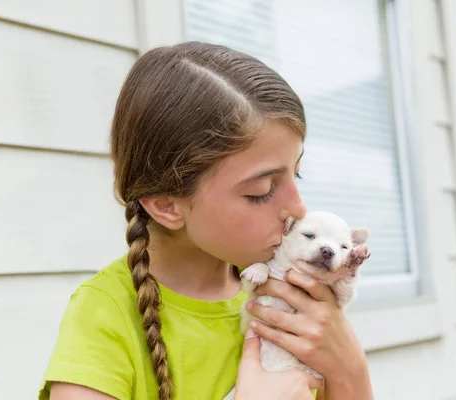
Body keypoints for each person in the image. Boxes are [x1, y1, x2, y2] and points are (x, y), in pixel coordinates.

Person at [38, 41, 373, 400]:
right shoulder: (104, 312)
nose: (299, 208)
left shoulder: (301, 300)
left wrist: (350, 366)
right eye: (261, 189)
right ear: (167, 205)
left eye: (298, 174)